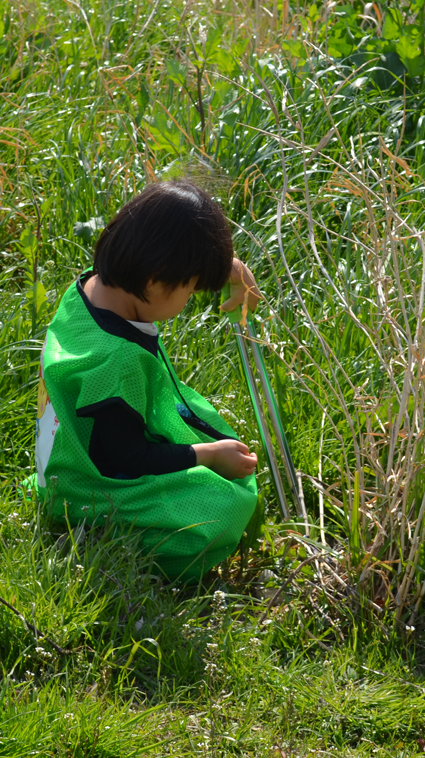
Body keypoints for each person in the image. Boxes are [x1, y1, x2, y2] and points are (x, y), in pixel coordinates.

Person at [32, 180, 263, 580]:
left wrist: (223, 267)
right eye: (190, 288)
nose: (190, 296)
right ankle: (97, 535)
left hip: (70, 451)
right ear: (156, 281)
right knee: (227, 507)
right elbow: (128, 459)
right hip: (84, 489)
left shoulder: (92, 286)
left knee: (206, 445)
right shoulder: (115, 359)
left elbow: (167, 241)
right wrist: (208, 455)